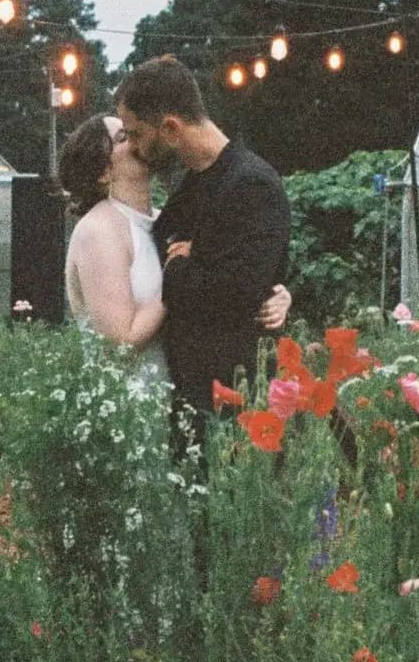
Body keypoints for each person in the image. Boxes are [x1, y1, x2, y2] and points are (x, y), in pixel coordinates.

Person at [112, 56, 291, 456]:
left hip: (232, 407)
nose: (136, 148)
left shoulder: (251, 184)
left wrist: (181, 267)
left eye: (137, 135)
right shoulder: (195, 182)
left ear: (171, 128)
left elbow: (234, 296)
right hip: (194, 395)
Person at [56, 112, 288, 388]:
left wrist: (273, 295)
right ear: (103, 172)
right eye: (122, 137)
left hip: (177, 396)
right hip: (127, 405)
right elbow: (120, 342)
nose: (136, 140)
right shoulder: (98, 230)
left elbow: (219, 281)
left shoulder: (163, 218)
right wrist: (176, 275)